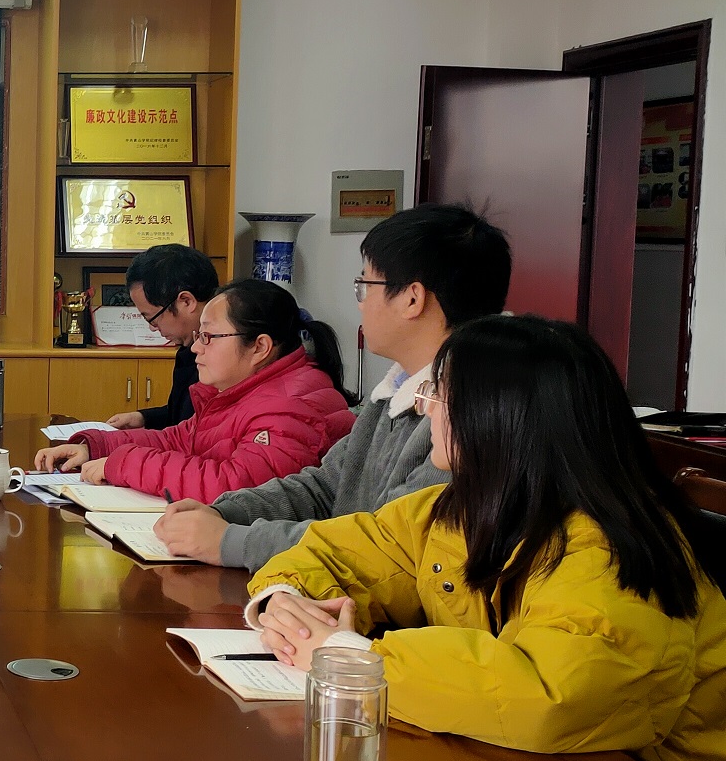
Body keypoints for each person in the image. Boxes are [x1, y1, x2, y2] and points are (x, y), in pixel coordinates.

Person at [248, 316, 726, 761]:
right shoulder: (461, 507)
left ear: (499, 417)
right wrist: (287, 603)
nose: (425, 408)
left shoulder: (608, 546)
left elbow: (552, 697)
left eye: (439, 394)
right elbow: (335, 552)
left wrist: (356, 661)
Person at [155, 203, 512, 566]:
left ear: (411, 299)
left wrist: (232, 542)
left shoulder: (472, 413)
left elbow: (390, 547)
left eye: (365, 286)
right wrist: (225, 512)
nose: (360, 304)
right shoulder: (392, 393)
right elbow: (326, 487)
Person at [35, 279, 353, 501]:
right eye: (199, 335)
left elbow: (236, 487)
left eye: (209, 337)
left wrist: (123, 464)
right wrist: (97, 447)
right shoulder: (241, 390)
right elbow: (178, 440)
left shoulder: (291, 407)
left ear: (259, 347)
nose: (196, 348)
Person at [100, 245, 217, 430]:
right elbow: (182, 417)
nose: (153, 328)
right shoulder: (190, 347)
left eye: (152, 318)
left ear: (186, 301)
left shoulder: (225, 357)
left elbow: (195, 432)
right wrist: (143, 418)